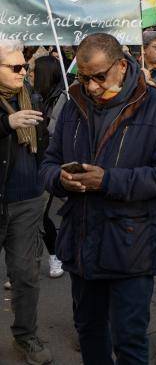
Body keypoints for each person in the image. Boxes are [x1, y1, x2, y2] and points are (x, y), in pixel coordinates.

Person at [39, 33, 156, 365]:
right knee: (89, 331)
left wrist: (107, 180)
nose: (91, 86)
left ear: (121, 66)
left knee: (129, 338)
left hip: (130, 247)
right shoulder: (73, 103)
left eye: (98, 76)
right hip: (80, 241)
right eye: (83, 77)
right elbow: (48, 163)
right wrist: (60, 179)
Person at [0, 40, 51, 364]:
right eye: (15, 67)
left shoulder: (31, 95)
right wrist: (6, 123)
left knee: (26, 275)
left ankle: (26, 336)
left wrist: (45, 179)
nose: (23, 72)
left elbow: (44, 144)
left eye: (25, 66)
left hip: (27, 200)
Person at [29, 55, 68, 279]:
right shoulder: (30, 96)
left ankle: (54, 255)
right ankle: (23, 269)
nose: (28, 74)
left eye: (33, 71)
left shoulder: (62, 98)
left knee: (39, 214)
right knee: (32, 216)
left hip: (48, 163)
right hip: (30, 160)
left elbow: (55, 133)